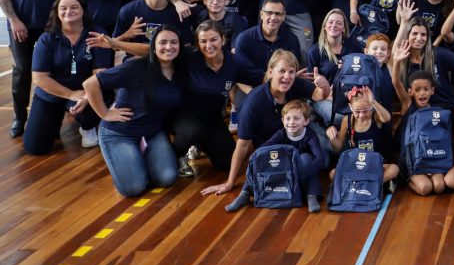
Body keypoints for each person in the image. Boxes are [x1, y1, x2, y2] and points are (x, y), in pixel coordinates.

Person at [199, 49, 331, 199]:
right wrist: (230, 182)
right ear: (270, 71)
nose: (287, 76)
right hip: (272, 147)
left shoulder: (294, 84)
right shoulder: (253, 103)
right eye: (281, 71)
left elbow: (320, 95)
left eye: (291, 72)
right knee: (311, 162)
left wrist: (323, 84)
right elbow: (242, 146)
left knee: (324, 161)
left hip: (294, 136)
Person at [82, 26, 185, 197]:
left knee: (166, 178)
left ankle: (138, 157)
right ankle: (128, 160)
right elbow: (90, 84)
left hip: (153, 132)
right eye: (163, 42)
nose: (168, 47)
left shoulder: (180, 68)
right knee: (134, 188)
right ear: (153, 46)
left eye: (174, 42)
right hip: (120, 133)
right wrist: (105, 113)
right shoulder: (135, 67)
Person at [0, 0, 68, 137]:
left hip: (51, 27)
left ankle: (52, 119)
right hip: (21, 25)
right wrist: (14, 20)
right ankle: (20, 117)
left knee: (55, 71)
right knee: (22, 70)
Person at [23, 0, 114, 154]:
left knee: (87, 113)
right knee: (35, 148)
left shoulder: (96, 34)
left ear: (83, 10)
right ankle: (55, 119)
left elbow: (100, 73)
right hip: (53, 94)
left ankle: (88, 126)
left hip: (85, 93)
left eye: (74, 7)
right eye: (63, 8)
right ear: (57, 13)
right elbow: (40, 78)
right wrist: (71, 94)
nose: (68, 11)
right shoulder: (47, 38)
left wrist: (87, 97)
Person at [225, 99, 327, 213]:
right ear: (283, 121)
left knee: (306, 158)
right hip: (283, 168)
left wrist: (304, 173)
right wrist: (255, 160)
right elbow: (263, 149)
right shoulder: (281, 134)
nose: (291, 122)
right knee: (258, 159)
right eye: (288, 119)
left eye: (297, 118)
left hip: (301, 172)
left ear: (306, 121)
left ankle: (311, 195)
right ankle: (245, 193)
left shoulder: (310, 136)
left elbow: (319, 158)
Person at [171, 20, 244, 177]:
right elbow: (155, 51)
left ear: (223, 39)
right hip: (183, 115)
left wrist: (284, 78)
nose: (208, 45)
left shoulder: (234, 61)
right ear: (197, 43)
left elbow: (260, 77)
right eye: (203, 41)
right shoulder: (187, 57)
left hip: (211, 118)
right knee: (192, 131)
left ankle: (199, 144)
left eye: (213, 39)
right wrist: (118, 44)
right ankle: (176, 156)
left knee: (227, 162)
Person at [327, 85, 398, 186]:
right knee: (333, 173)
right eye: (357, 111)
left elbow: (386, 118)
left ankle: (366, 185)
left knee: (394, 169)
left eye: (366, 110)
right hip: (354, 166)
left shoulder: (375, 117)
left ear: (372, 108)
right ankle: (366, 185)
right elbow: (338, 147)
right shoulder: (347, 120)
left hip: (373, 165)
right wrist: (332, 138)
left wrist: (373, 101)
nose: (362, 115)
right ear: (350, 107)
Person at [231, 0, 302, 87]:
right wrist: (256, 95)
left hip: (281, 87)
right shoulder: (244, 38)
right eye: (269, 13)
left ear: (283, 16)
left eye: (278, 14)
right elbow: (240, 71)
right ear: (261, 14)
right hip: (249, 87)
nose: (273, 17)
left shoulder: (292, 39)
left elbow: (293, 68)